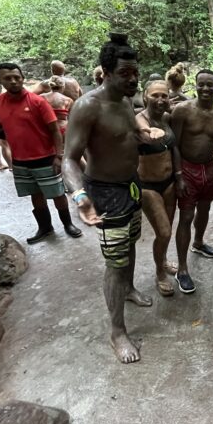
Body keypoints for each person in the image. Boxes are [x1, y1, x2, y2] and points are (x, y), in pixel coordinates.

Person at [62, 33, 153, 364]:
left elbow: (128, 135)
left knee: (130, 244)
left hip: (130, 185)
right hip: (104, 192)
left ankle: (128, 290)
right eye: (125, 74)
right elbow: (69, 159)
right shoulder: (88, 106)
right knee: (114, 263)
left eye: (135, 73)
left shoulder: (127, 101)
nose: (133, 79)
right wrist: (80, 196)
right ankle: (117, 332)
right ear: (106, 72)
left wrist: (145, 133)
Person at [0, 63, 82, 244]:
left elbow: (55, 130)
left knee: (57, 194)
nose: (14, 81)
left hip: (45, 158)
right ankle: (45, 227)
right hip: (20, 160)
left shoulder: (37, 101)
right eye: (8, 78)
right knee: (35, 195)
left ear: (22, 78)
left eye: (17, 77)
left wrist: (58, 156)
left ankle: (68, 224)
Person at [170, 69, 213, 294]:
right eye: (201, 84)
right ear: (194, 86)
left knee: (205, 210)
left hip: (209, 169)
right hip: (186, 168)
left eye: (210, 85)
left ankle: (198, 242)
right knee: (186, 215)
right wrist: (177, 175)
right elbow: (173, 144)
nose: (205, 89)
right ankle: (182, 269)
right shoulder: (182, 110)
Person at [136, 80, 179, 297]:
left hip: (169, 182)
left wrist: (179, 176)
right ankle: (159, 273)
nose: (160, 99)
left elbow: (174, 149)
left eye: (164, 95)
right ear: (145, 96)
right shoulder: (137, 122)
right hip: (148, 186)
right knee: (163, 231)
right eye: (155, 95)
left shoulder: (166, 118)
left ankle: (162, 260)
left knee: (167, 230)